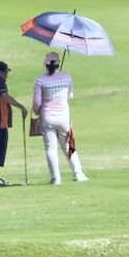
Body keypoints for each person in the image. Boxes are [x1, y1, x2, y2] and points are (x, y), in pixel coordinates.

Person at [32, 51, 87, 184]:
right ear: (58, 64)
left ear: (46, 64)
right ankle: (78, 173)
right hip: (63, 117)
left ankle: (55, 178)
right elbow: (70, 96)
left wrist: (37, 111)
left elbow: (37, 102)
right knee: (68, 146)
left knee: (51, 148)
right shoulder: (67, 77)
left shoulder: (40, 80)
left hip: (47, 117)